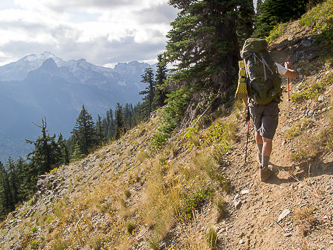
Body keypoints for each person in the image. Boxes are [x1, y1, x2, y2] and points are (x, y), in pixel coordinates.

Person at [242, 61, 297, 181]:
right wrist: (289, 68)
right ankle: (264, 170)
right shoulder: (271, 63)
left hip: (254, 104)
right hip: (270, 104)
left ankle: (260, 155)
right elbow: (293, 75)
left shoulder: (245, 66)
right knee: (267, 138)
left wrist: (247, 105)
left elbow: (241, 91)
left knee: (257, 129)